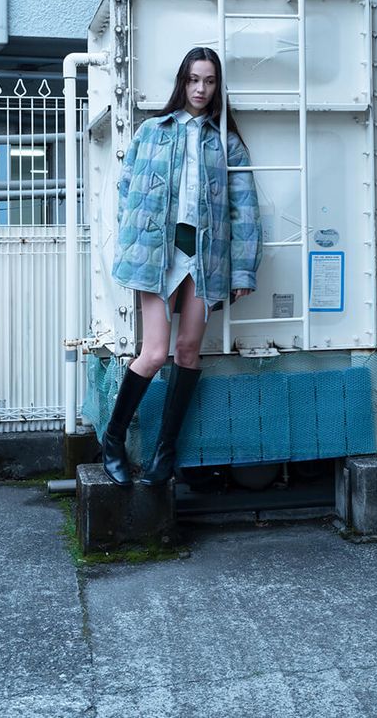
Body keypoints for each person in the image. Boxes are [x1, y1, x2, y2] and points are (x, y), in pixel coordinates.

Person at [102, 46, 263, 487]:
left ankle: (165, 453)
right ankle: (113, 440)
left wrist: (243, 270)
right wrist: (134, 249)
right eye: (194, 80)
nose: (200, 89)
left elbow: (244, 210)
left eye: (209, 81)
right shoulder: (152, 131)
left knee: (189, 351)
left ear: (217, 86)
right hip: (158, 255)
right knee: (155, 353)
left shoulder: (227, 142)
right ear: (182, 82)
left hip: (205, 258)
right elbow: (127, 193)